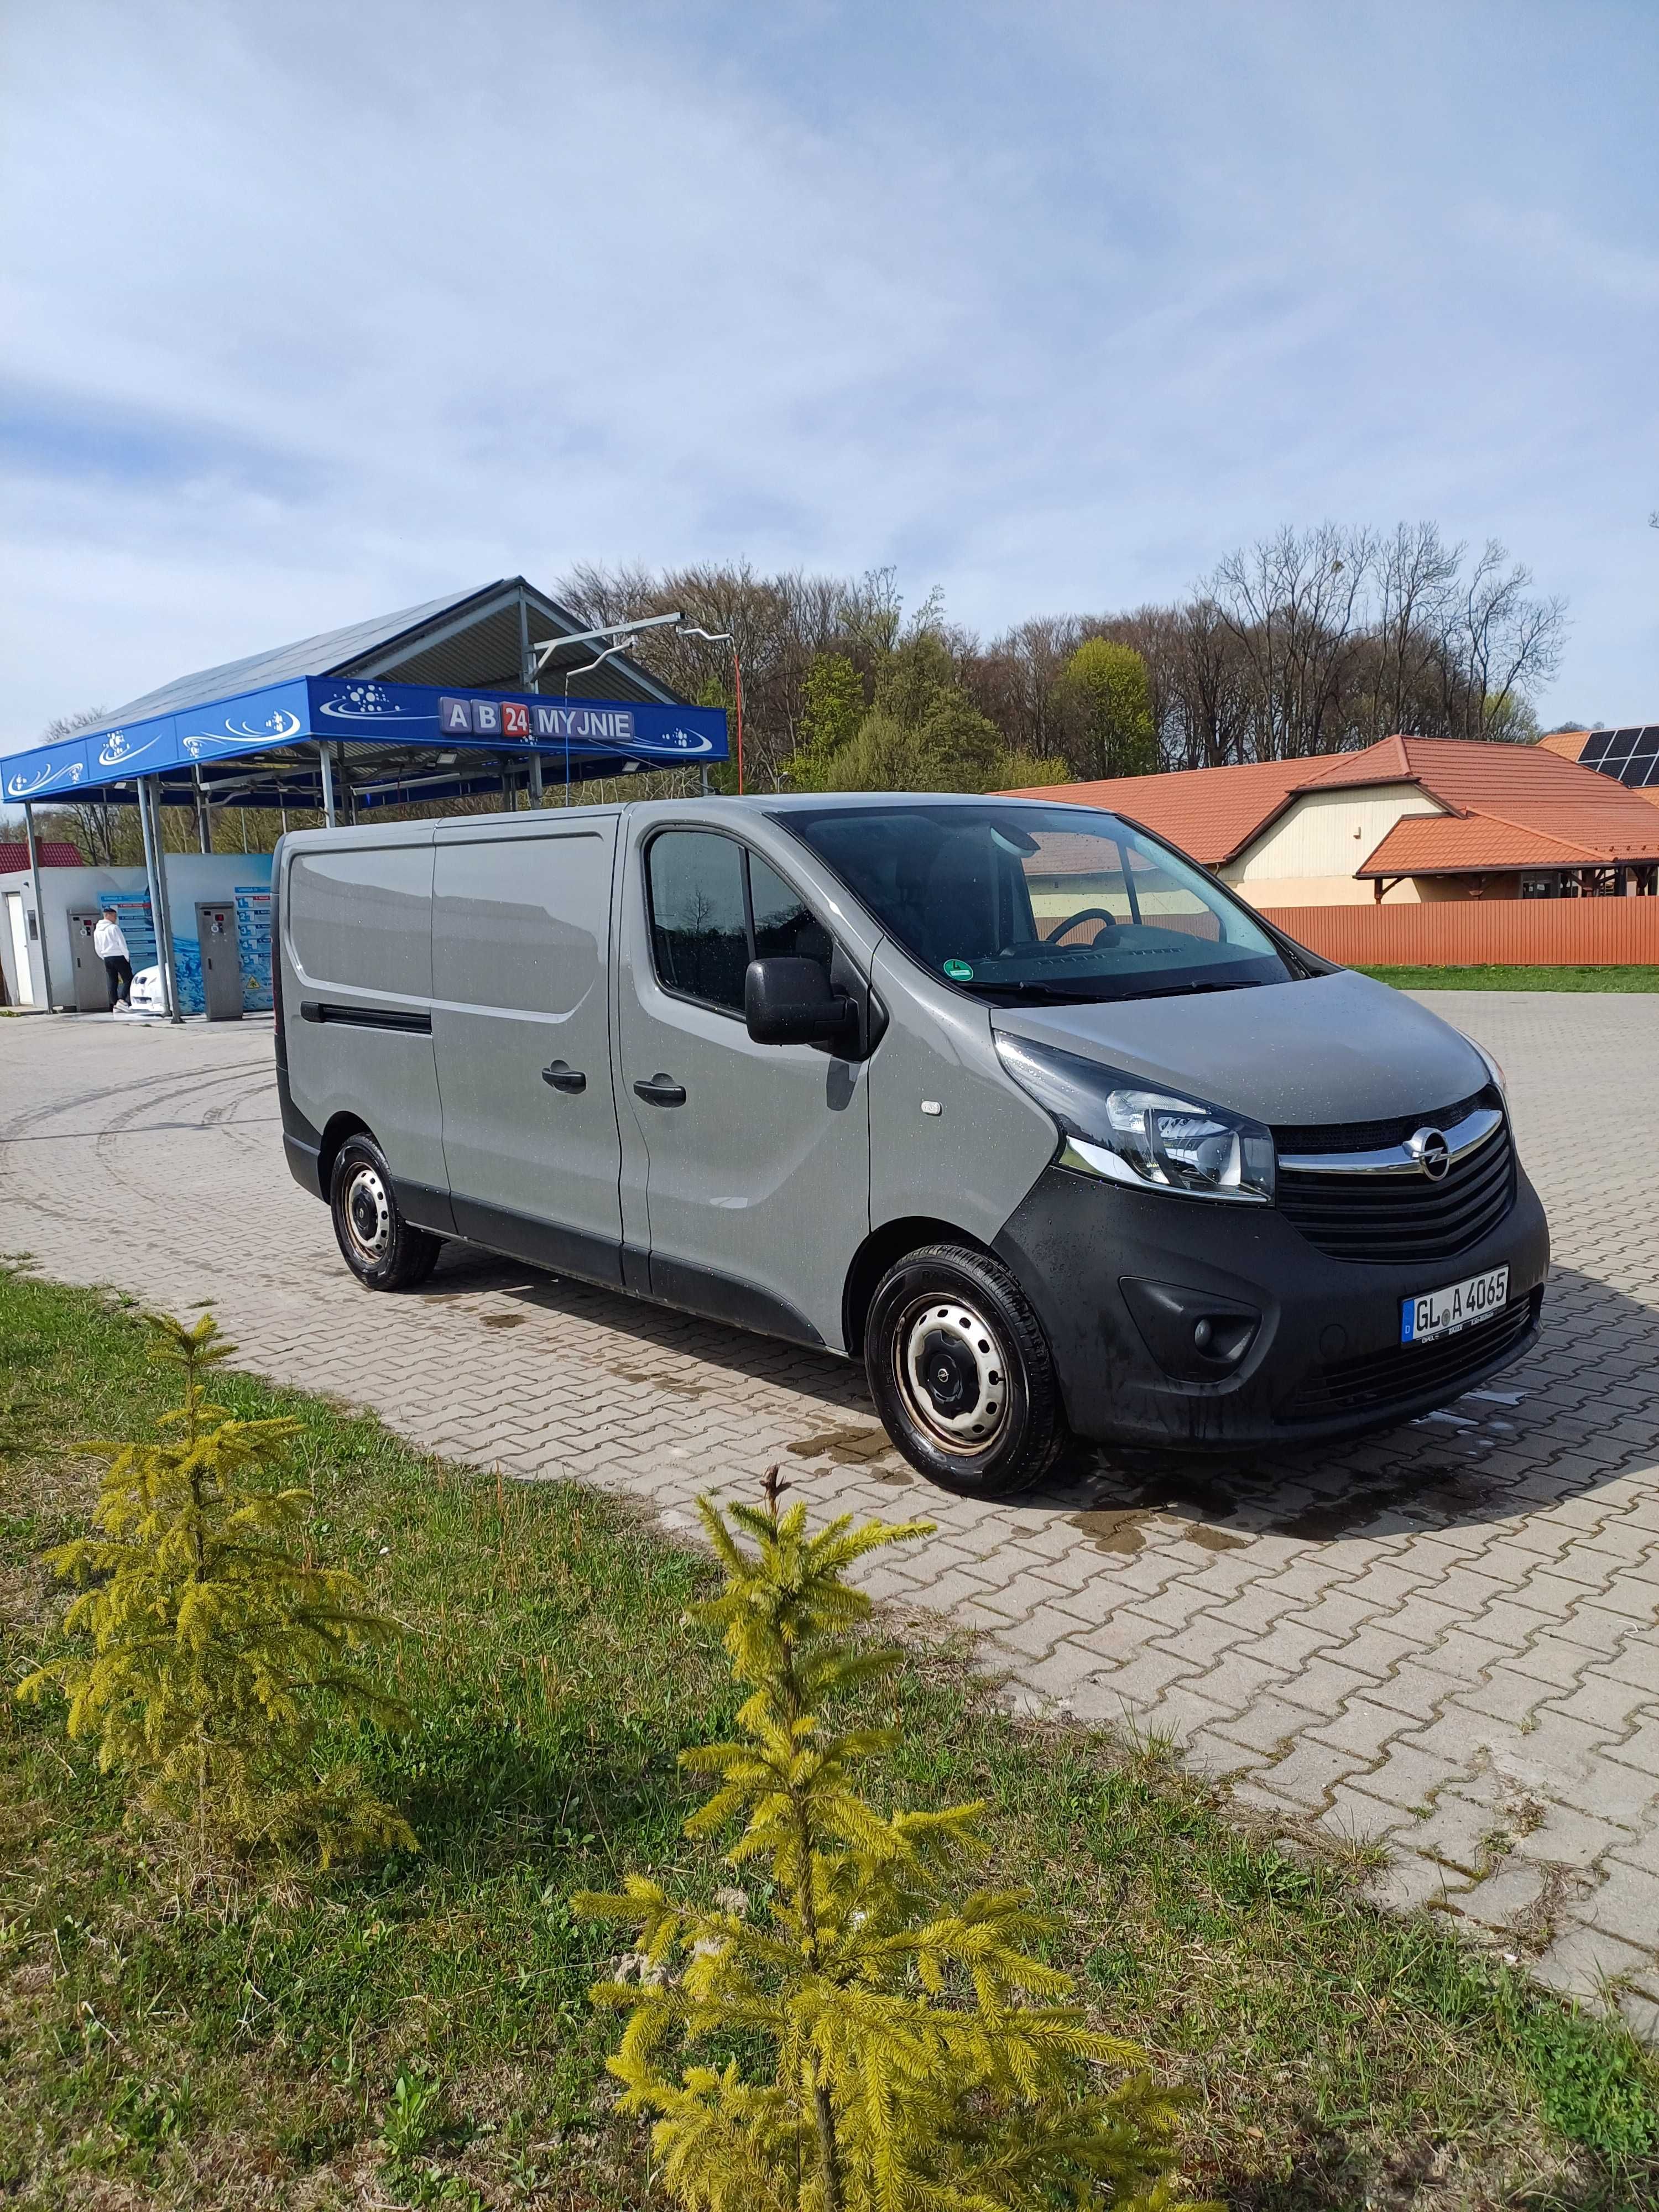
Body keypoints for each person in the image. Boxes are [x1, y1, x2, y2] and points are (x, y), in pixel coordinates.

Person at [93, 906, 132, 1009]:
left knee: (112, 981)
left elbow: (97, 947)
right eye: (114, 916)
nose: (115, 919)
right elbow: (122, 943)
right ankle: (122, 1000)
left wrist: (104, 957)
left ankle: (114, 1003)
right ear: (108, 915)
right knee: (128, 979)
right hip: (119, 956)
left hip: (107, 958)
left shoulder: (97, 930)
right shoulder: (114, 928)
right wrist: (127, 957)